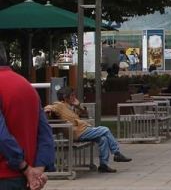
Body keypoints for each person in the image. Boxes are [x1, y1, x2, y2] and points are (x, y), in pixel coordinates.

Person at [0, 42, 55, 188]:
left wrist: (24, 167)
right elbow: (45, 133)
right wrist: (38, 168)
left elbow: (2, 136)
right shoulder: (27, 86)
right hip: (23, 180)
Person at [45, 85, 130, 174]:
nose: (74, 97)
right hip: (77, 132)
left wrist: (78, 106)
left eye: (74, 95)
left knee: (103, 139)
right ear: (65, 97)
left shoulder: (71, 106)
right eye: (72, 95)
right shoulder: (59, 105)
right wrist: (48, 111)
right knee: (105, 129)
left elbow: (85, 114)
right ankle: (116, 153)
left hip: (83, 130)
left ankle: (103, 165)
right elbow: (49, 107)